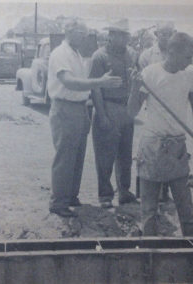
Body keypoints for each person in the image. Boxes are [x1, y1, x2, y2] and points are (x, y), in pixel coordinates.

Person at [128, 32, 193, 236]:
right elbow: (131, 112)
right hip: (152, 146)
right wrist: (134, 88)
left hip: (178, 147)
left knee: (186, 211)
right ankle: (147, 257)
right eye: (187, 57)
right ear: (172, 51)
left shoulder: (191, 74)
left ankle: (192, 257)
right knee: (149, 212)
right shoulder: (150, 74)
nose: (190, 62)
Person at [48, 20, 123, 218]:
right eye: (82, 33)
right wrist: (99, 82)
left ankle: (71, 196)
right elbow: (69, 82)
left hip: (80, 108)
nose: (85, 37)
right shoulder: (60, 54)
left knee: (78, 155)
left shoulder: (76, 54)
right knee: (65, 156)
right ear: (70, 31)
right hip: (65, 107)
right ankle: (58, 201)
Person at [89, 19, 137, 209]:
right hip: (107, 106)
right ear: (110, 35)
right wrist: (101, 116)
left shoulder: (132, 54)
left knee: (125, 154)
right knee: (105, 155)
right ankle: (105, 195)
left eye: (125, 35)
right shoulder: (99, 56)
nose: (123, 38)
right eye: (119, 34)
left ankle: (124, 192)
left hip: (126, 108)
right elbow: (95, 89)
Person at [137, 21, 176, 202]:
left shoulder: (176, 54)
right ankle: (148, 192)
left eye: (169, 33)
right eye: (163, 34)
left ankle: (165, 191)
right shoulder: (146, 55)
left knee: (170, 148)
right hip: (152, 107)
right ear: (157, 35)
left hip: (171, 108)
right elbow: (142, 84)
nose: (166, 37)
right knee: (151, 149)